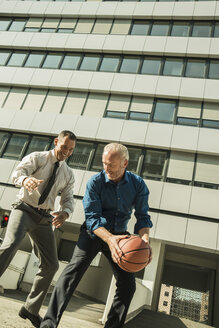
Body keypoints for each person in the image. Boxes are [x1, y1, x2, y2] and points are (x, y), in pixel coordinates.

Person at [40, 142, 152, 328]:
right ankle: (48, 325)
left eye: (112, 165)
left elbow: (142, 217)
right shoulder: (95, 182)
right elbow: (92, 218)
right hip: (94, 233)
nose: (107, 168)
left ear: (125, 163)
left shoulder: (138, 184)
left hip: (121, 237)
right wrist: (110, 239)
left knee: (127, 285)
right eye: (104, 163)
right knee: (71, 275)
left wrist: (145, 241)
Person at [0, 130, 77, 328]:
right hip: (24, 209)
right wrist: (26, 180)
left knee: (51, 264)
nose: (66, 152)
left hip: (44, 219)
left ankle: (30, 309)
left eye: (70, 150)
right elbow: (18, 173)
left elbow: (68, 198)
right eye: (64, 147)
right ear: (56, 142)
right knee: (11, 244)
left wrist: (65, 213)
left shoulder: (68, 173)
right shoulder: (38, 158)